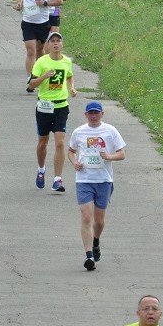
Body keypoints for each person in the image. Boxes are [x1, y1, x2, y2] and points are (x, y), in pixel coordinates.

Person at [67, 101, 126, 271]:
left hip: (104, 180)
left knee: (99, 221)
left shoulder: (110, 131)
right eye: (90, 113)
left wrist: (109, 156)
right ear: (85, 115)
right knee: (86, 216)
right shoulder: (79, 132)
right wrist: (74, 162)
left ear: (102, 114)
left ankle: (96, 241)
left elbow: (122, 154)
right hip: (84, 179)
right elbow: (71, 151)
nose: (93, 116)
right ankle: (89, 256)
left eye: (96, 113)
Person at [25, 28, 76, 193]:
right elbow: (31, 85)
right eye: (52, 41)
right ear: (47, 45)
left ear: (62, 44)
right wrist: (44, 76)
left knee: (60, 142)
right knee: (43, 142)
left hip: (61, 105)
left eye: (58, 41)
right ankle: (41, 169)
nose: (55, 44)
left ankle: (57, 179)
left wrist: (72, 88)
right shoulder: (42, 62)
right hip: (44, 106)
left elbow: (68, 75)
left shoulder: (67, 61)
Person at [14, 0, 64, 75]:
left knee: (40, 51)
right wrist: (19, 3)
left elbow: (60, 0)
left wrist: (45, 3)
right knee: (31, 51)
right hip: (27, 22)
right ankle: (30, 78)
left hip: (43, 23)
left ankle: (40, 71)